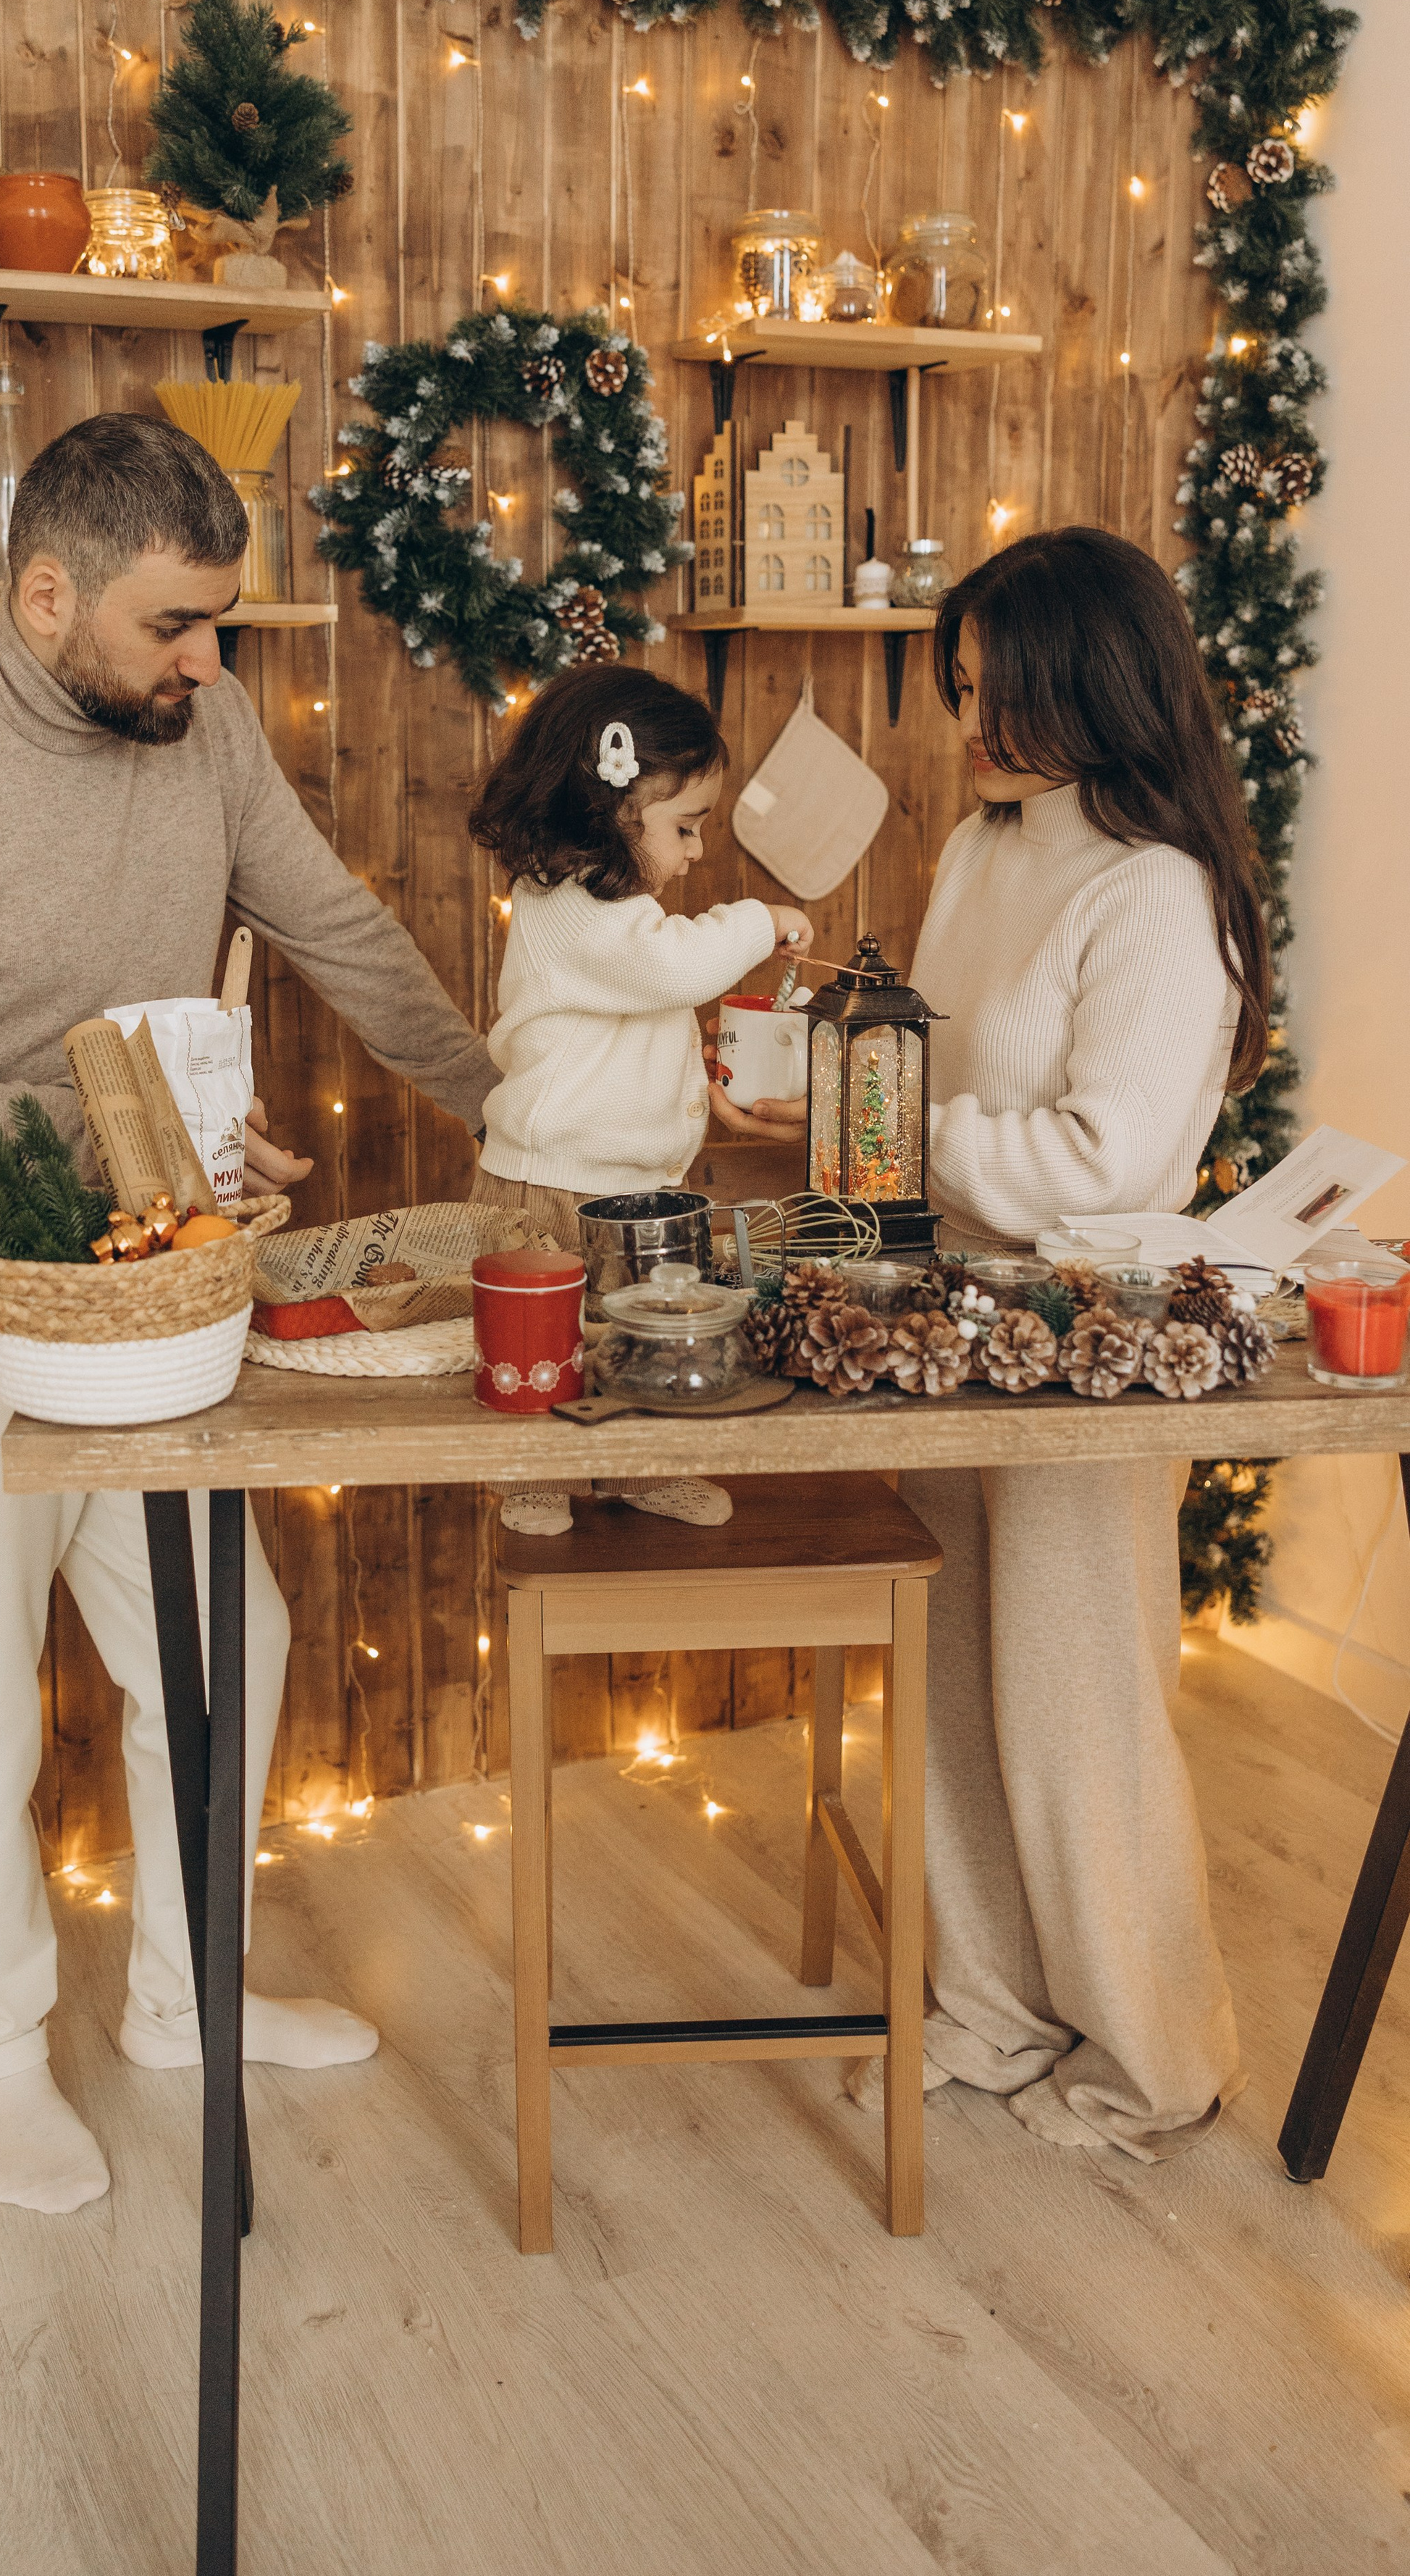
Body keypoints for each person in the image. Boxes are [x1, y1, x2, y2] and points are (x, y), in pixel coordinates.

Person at [0, 412, 498, 2214]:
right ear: (44, 596)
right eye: (174, 625)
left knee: (219, 1643)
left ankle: (185, 2002)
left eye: (220, 623)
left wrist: (504, 1093)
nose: (209, 659)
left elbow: (330, 920)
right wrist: (138, 1133)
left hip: (144, 1291)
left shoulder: (207, 726)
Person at [710, 525, 1268, 2159]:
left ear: (1088, 686)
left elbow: (1104, 1163)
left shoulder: (1156, 894)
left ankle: (1156, 2052)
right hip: (936, 1316)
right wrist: (830, 1066)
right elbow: (931, 1061)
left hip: (1086, 1340)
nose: (962, 726)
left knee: (1074, 1699)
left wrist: (892, 1117)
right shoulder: (981, 845)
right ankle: (995, 2004)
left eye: (990, 693)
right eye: (956, 690)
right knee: (946, 1680)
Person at [467, 667, 811, 1535]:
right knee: (549, 1338)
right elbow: (668, 968)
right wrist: (760, 920)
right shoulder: (567, 905)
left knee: (640, 1329)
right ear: (607, 809)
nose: (697, 851)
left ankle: (637, 1466)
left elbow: (638, 1009)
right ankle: (532, 1475)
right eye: (685, 827)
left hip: (627, 1183)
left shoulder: (612, 911)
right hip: (551, 1184)